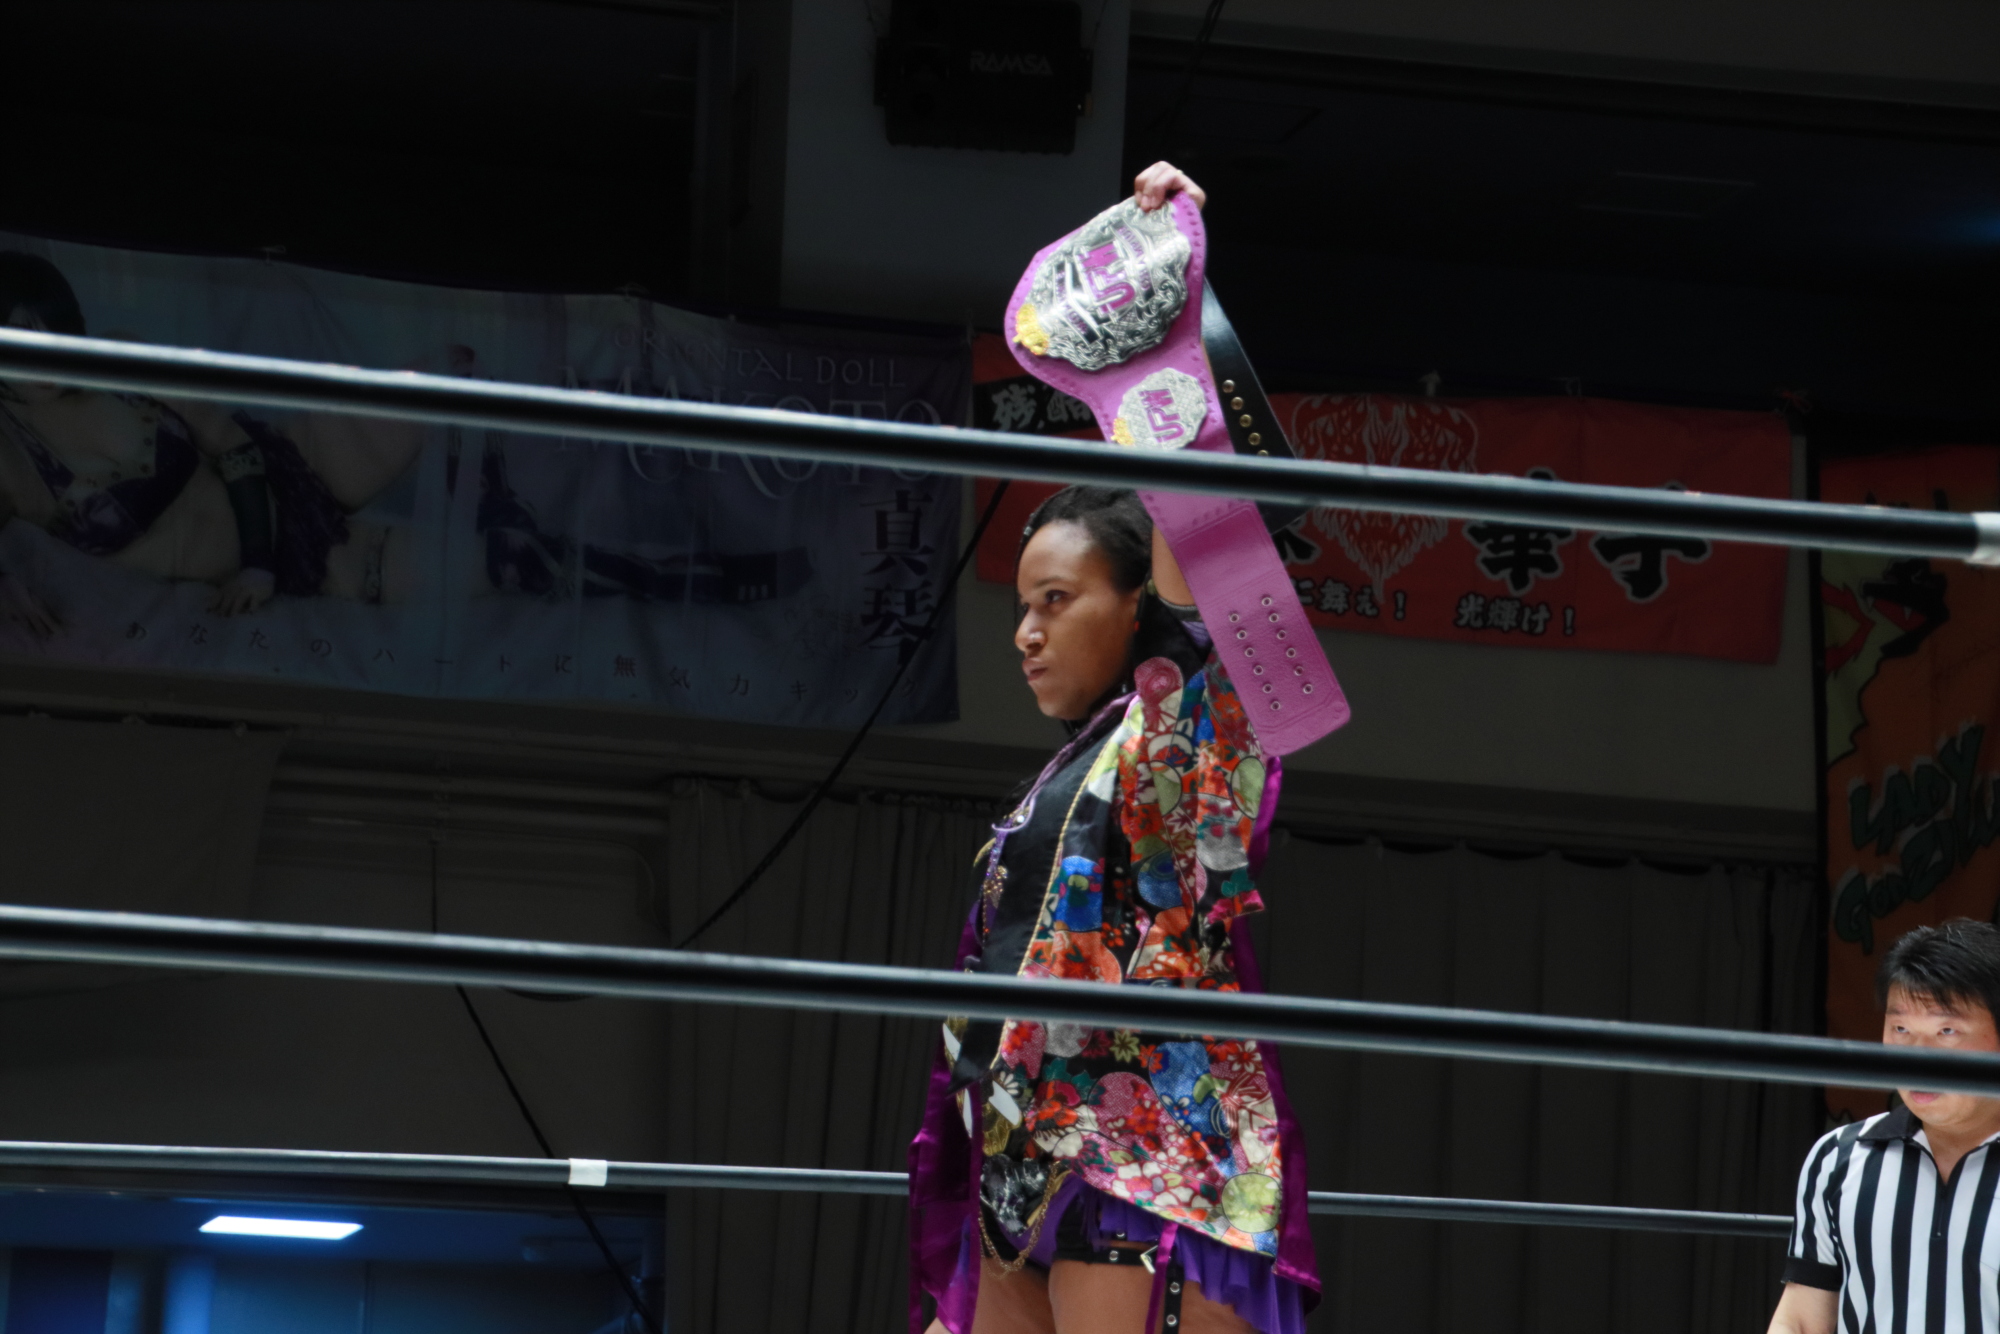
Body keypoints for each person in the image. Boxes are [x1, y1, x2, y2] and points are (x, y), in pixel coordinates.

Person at [909, 459, 1320, 1332]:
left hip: (1142, 1165)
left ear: (1142, 606)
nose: (1025, 633)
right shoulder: (1079, 762)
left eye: (1055, 600)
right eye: (1023, 607)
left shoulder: (1177, 729)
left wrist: (1163, 421)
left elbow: (1199, 596)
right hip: (1023, 1155)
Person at [1771, 918, 2000, 1334]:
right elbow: (1801, 1319)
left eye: (1946, 1030)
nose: (1917, 1056)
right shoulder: (1838, 1157)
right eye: (1901, 1029)